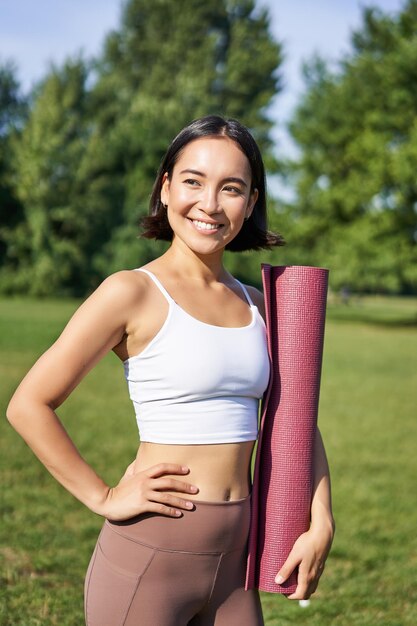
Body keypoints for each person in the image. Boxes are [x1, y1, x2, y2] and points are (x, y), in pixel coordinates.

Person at [6, 115, 335, 626]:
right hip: (150, 555)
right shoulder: (131, 292)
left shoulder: (260, 304)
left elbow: (296, 419)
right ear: (165, 188)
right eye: (192, 181)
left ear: (249, 205)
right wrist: (104, 496)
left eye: (231, 188)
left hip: (236, 565)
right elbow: (28, 404)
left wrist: (321, 520)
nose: (209, 203)